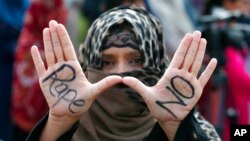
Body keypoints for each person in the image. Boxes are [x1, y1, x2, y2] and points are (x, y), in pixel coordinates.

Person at [26, 6, 220, 141]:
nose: (121, 72)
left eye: (136, 60)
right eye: (106, 62)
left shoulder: (193, 128)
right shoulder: (64, 120)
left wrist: (175, 128)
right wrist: (59, 124)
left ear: (159, 65)